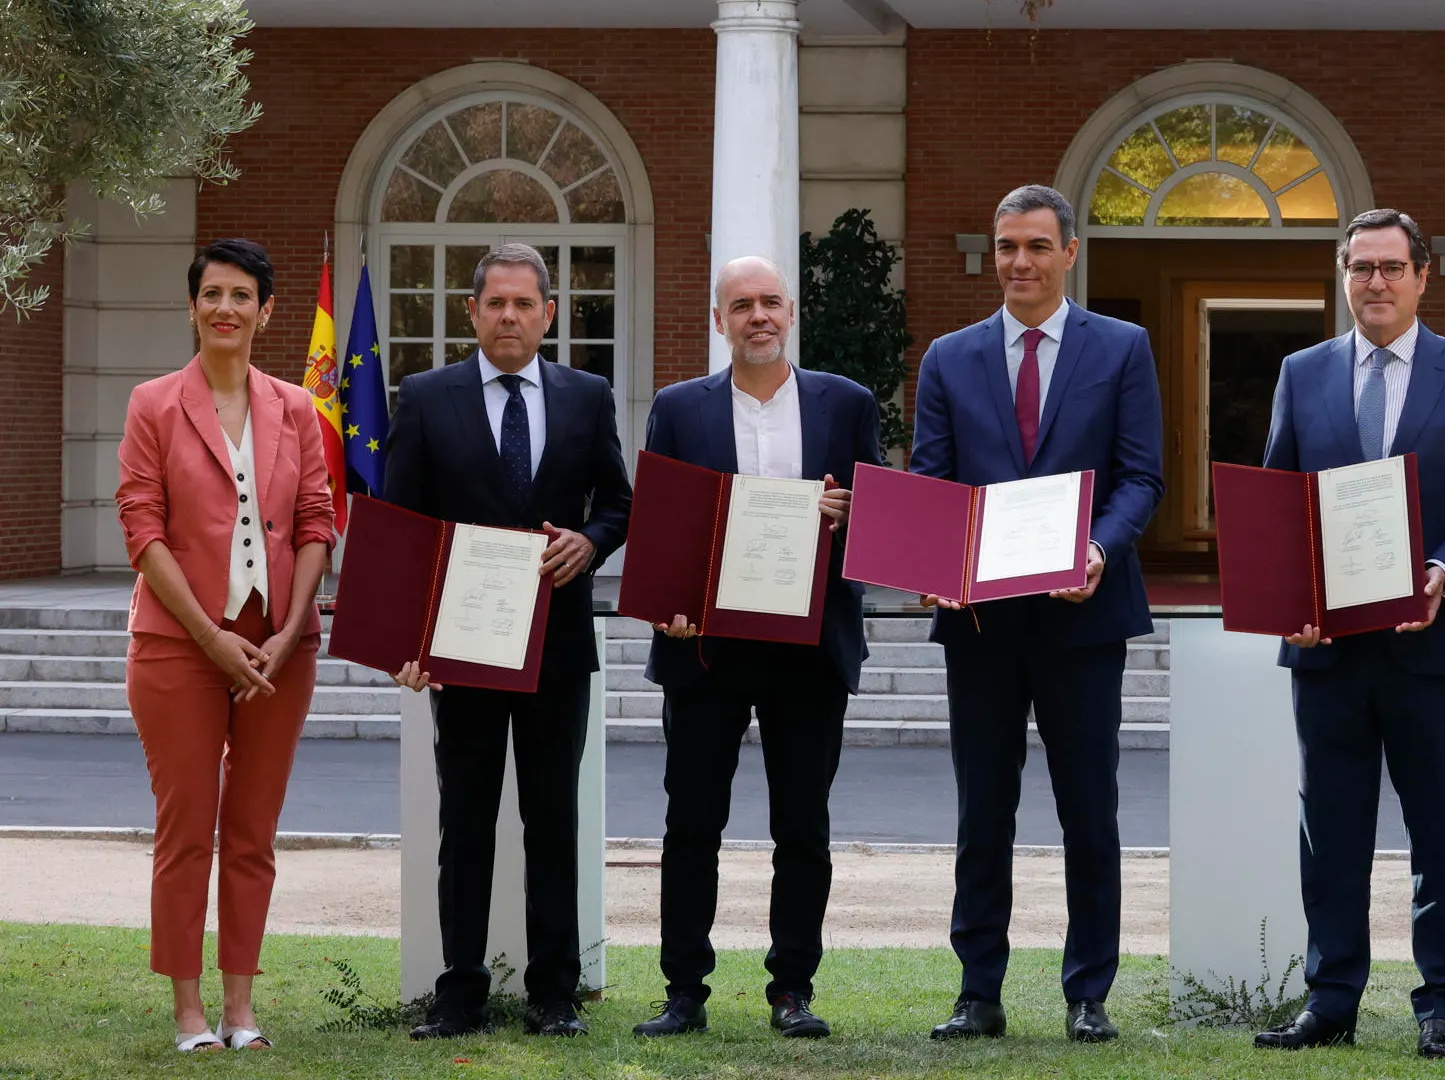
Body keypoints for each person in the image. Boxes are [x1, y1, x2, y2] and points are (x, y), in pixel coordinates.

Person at [1254, 208, 1445, 1059]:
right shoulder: (1302, 371)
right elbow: (1277, 508)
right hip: (1326, 651)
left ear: (1421, 275)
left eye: (1390, 268)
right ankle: (1330, 1002)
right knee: (1329, 837)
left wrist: (1443, 573)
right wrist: (1286, 595)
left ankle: (1441, 1007)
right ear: (1344, 275)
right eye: (1360, 268)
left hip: (1430, 647)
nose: (1374, 282)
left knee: (1440, 837)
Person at [911, 184, 1164, 1044]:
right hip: (980, 625)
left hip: (1083, 618)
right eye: (1006, 246)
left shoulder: (1122, 349)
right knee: (983, 814)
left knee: (1089, 812)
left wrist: (1097, 550)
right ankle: (978, 991)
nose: (1018, 262)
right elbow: (936, 479)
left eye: (1035, 246)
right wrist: (930, 562)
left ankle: (1088, 992)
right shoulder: (948, 357)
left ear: (1069, 253)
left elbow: (1141, 478)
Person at [628, 255, 883, 1041]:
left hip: (810, 647)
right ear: (719, 320)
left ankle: (792, 989)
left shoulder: (847, 404)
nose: (759, 316)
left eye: (771, 302)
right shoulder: (678, 408)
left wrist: (852, 514)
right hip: (706, 648)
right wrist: (665, 609)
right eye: (742, 305)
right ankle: (683, 991)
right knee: (691, 823)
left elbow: (879, 524)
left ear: (792, 312)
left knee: (802, 825)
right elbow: (661, 522)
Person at [383, 243, 633, 1039]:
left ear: (549, 314)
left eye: (525, 304)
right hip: (461, 651)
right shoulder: (425, 396)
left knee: (553, 820)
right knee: (467, 822)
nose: (510, 317)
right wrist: (409, 640)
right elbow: (402, 528)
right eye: (495, 303)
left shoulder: (587, 395)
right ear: (473, 311)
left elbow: (621, 505)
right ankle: (459, 995)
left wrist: (590, 543)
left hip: (557, 646)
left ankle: (554, 995)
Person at [115, 238, 335, 1053]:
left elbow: (318, 522)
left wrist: (283, 634)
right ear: (192, 306)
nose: (226, 309)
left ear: (267, 311)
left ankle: (242, 1010)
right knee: (187, 832)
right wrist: (212, 637)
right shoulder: (152, 404)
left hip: (281, 648)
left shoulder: (297, 408)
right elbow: (142, 529)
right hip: (179, 645)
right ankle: (189, 1013)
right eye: (212, 294)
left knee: (252, 833)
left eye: (242, 296)